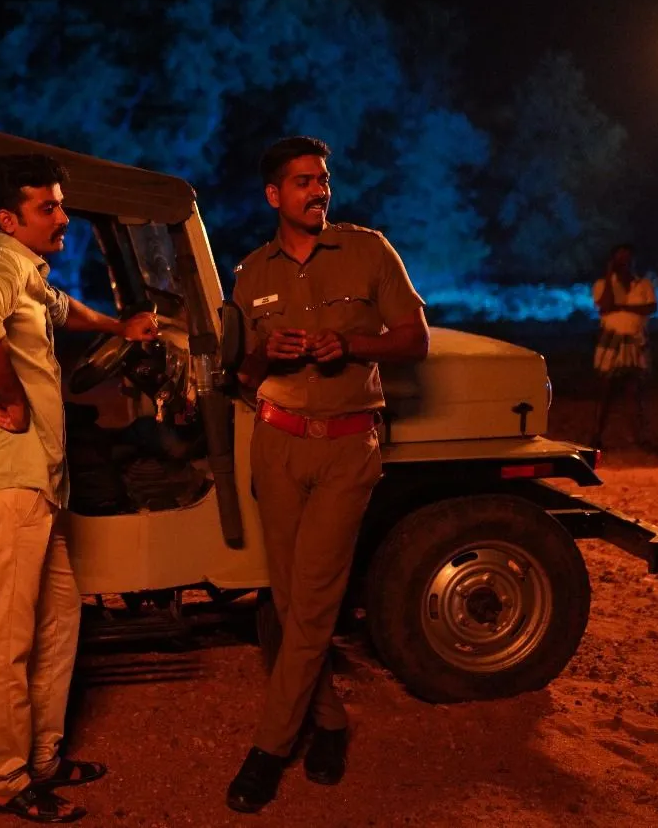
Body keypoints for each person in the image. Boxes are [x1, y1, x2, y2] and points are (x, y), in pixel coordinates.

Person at [0, 153, 158, 823]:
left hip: (39, 480)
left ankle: (42, 757)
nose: (63, 217)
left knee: (61, 617)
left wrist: (117, 326)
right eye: (49, 207)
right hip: (9, 478)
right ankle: (4, 780)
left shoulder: (23, 269)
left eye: (61, 204)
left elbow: (58, 307)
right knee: (6, 636)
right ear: (10, 218)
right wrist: (8, 395)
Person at [226, 136, 429, 814]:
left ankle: (268, 747)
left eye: (323, 180)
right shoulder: (251, 272)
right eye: (304, 181)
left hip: (346, 448)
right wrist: (266, 354)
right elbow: (243, 373)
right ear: (274, 195)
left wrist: (353, 344)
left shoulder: (369, 249)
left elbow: (414, 338)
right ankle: (332, 720)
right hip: (276, 444)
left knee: (311, 600)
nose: (319, 191)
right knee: (288, 602)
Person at [590, 243, 657, 450]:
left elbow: (651, 307)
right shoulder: (603, 284)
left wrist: (621, 307)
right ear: (613, 261)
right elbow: (605, 305)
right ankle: (597, 438)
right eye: (620, 258)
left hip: (635, 342)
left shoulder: (643, 284)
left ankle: (640, 439)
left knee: (635, 392)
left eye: (628, 258)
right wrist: (610, 275)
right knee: (606, 392)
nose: (625, 262)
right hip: (612, 342)